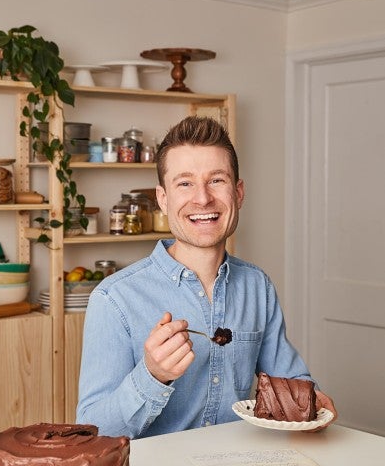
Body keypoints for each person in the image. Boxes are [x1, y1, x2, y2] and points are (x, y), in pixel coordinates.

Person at [76, 116, 337, 437]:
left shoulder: (258, 286)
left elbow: (292, 382)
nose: (202, 198)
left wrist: (313, 402)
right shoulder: (114, 298)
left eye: (217, 180)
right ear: (163, 198)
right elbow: (93, 431)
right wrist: (152, 374)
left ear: (238, 193)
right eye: (184, 183)